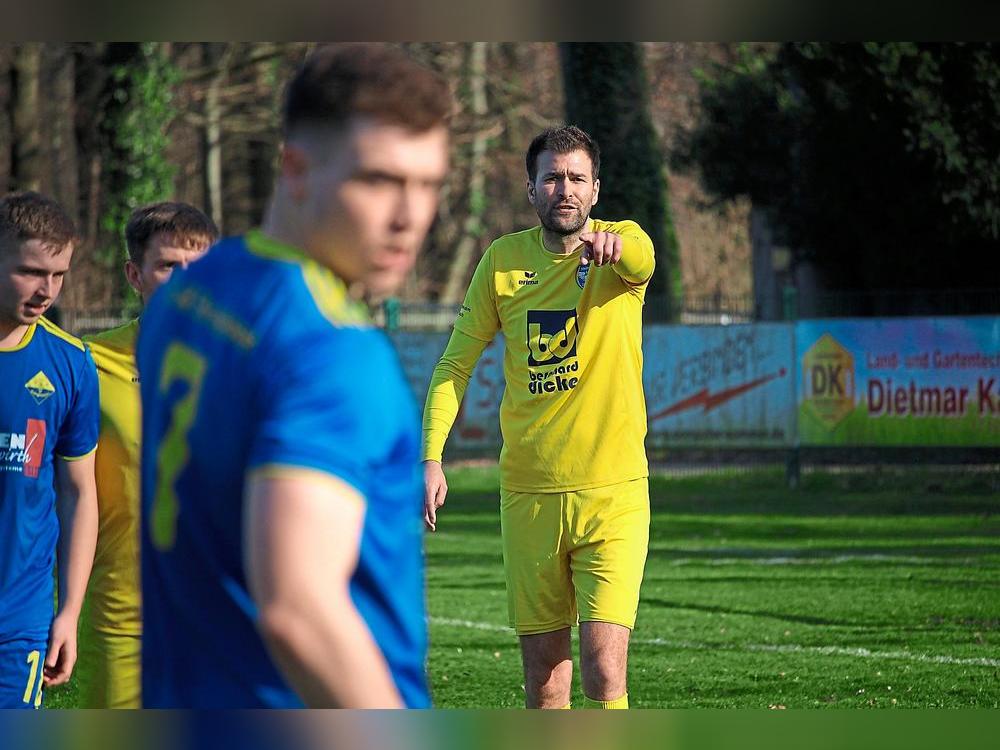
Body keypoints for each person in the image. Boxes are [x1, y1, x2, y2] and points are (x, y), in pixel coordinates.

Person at [137, 43, 451, 708]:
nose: (410, 217)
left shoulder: (190, 293)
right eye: (379, 180)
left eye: (428, 184)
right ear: (296, 168)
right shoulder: (331, 351)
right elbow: (299, 609)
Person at [423, 125, 655, 709]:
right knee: (546, 685)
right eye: (552, 178)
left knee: (605, 672)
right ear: (531, 189)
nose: (565, 189)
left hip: (613, 494)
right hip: (530, 497)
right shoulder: (502, 261)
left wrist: (616, 248)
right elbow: (454, 366)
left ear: (596, 189)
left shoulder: (622, 245)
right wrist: (431, 457)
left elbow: (642, 257)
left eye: (577, 178)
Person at [77, 202, 218, 708]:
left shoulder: (246, 362)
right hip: (122, 619)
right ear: (135, 275)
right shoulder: (87, 364)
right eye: (168, 266)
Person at [0, 191, 99, 708]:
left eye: (59, 275)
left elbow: (79, 493)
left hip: (21, 619)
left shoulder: (70, 362)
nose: (47, 290)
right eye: (31, 272)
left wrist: (70, 612)